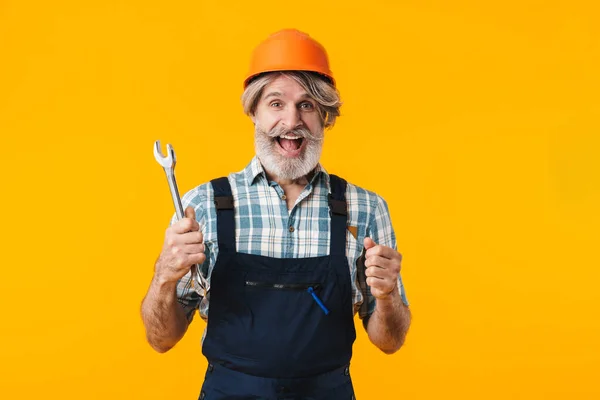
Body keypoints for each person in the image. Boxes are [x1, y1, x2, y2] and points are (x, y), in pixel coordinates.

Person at [140, 28, 412, 400]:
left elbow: (390, 341)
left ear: (325, 117)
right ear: (253, 110)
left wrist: (386, 295)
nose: (291, 120)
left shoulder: (364, 209)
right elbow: (161, 339)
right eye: (276, 103)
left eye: (307, 104)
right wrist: (164, 277)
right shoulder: (202, 205)